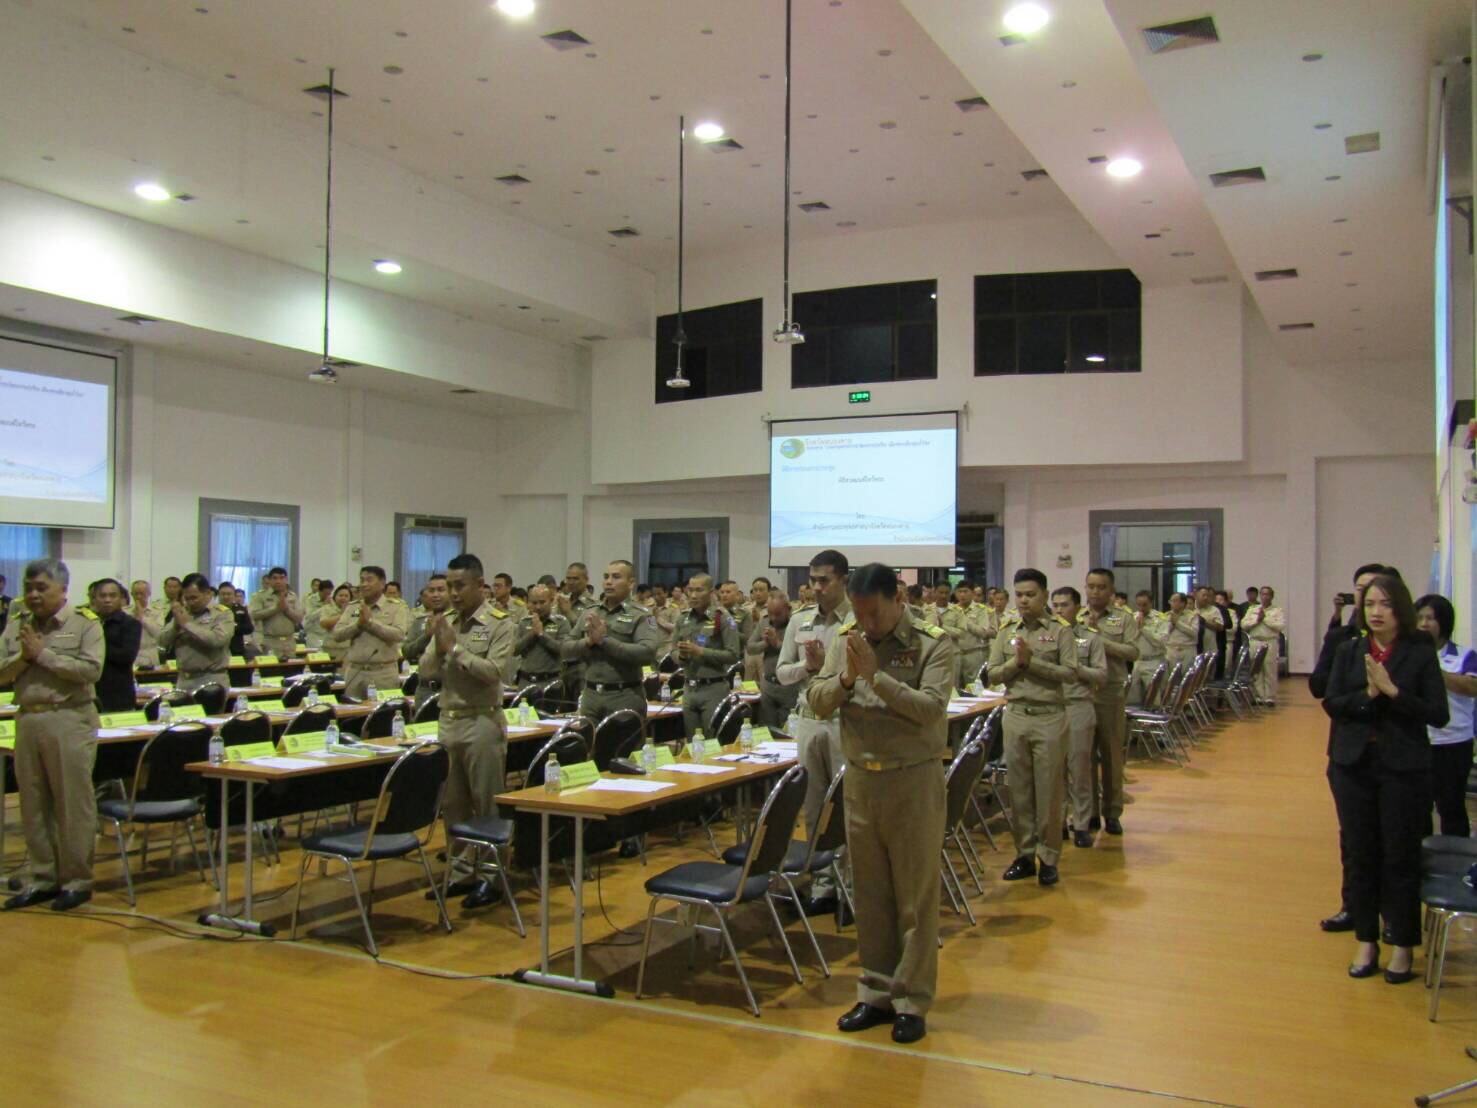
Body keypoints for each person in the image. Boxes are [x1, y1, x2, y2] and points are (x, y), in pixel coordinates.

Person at [807, 563, 954, 1045]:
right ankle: (874, 992)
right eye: (861, 614)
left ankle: (911, 998)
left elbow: (931, 710)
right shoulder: (847, 639)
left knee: (914, 897)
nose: (867, 624)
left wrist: (877, 679)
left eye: (875, 614)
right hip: (862, 782)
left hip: (912, 780)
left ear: (899, 599)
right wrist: (848, 680)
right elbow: (817, 700)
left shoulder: (935, 642)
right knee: (869, 893)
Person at [1323, 574, 1447, 983]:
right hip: (1353, 766)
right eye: (1370, 604)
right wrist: (1368, 697)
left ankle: (1402, 944)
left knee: (1400, 857)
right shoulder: (1350, 650)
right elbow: (1333, 703)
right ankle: (1366, 939)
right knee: (1361, 855)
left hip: (1403, 768)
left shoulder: (1419, 651)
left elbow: (1437, 713)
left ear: (1402, 610)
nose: (1376, 612)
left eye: (1386, 605)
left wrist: (1393, 692)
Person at [0, 559, 104, 912]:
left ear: (62, 589)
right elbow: (1, 673)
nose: (32, 594)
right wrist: (26, 659)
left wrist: (42, 655)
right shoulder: (17, 625)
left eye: (41, 588)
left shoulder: (85, 624)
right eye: (29, 587)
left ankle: (77, 880)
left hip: (69, 718)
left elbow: (91, 670)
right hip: (28, 718)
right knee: (33, 803)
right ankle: (44, 877)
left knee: (72, 803)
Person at [420, 553, 515, 911]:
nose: (453, 593)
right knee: (453, 803)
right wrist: (437, 639)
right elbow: (427, 671)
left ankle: (493, 875)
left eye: (460, 586)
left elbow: (495, 672)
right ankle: (460, 873)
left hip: (482, 720)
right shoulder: (448, 622)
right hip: (449, 719)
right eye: (449, 586)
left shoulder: (498, 623)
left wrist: (454, 649)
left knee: (487, 801)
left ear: (480, 585)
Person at [1310, 563, 1391, 933]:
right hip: (1349, 749)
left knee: (1393, 836)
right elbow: (1319, 687)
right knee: (1354, 836)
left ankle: (1394, 914)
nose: (1367, 599)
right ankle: (1355, 907)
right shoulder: (1342, 638)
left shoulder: (1408, 645)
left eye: (1376, 593)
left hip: (1395, 752)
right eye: (1361, 589)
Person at [776, 549, 853, 915]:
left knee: (846, 807)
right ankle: (822, 887)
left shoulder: (858, 619)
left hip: (845, 721)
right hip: (808, 720)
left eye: (825, 581)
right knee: (813, 806)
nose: (817, 588)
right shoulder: (800, 620)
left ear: (843, 581)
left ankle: (850, 891)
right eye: (812, 581)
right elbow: (782, 672)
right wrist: (808, 669)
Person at [988, 568, 1076, 885]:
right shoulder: (1007, 629)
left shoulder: (1060, 630)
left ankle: (1049, 857)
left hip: (1049, 715)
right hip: (1015, 714)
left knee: (1049, 790)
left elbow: (1069, 672)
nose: (1024, 601)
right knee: (1019, 791)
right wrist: (1016, 663)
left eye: (1030, 594)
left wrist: (1031, 662)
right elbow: (993, 673)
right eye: (1019, 595)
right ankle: (1024, 854)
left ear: (1044, 595)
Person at [561, 560, 661, 724]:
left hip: (624, 695)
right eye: (606, 577)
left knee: (624, 747)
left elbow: (647, 653)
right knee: (589, 747)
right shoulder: (590, 611)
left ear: (631, 583)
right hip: (590, 695)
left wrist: (604, 640)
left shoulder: (643, 615)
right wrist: (588, 642)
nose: (608, 581)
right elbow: (565, 648)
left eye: (616, 577)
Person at [1083, 568, 1138, 836]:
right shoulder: (1075, 618)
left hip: (1110, 693)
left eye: (1101, 587)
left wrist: (1098, 638)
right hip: (1081, 694)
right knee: (1084, 756)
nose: (1095, 592)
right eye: (1091, 586)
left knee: (1111, 754)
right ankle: (1089, 812)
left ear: (1111, 590)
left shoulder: (1122, 618)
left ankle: (1112, 812)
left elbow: (1132, 651)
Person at [1416, 594, 1477, 839]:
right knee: (1419, 807)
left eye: (1430, 618)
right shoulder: (1409, 655)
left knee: (1451, 806)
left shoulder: (1465, 655)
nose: (1423, 623)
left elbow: (1471, 687)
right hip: (1420, 742)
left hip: (1454, 743)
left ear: (1444, 622)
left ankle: (1458, 862)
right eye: (1419, 618)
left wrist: (1434, 670)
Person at [1051, 587, 1106, 848]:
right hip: (1052, 708)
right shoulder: (1046, 636)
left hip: (1078, 706)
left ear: (1077, 607)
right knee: (1054, 771)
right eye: (1056, 605)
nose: (1059, 610)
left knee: (1079, 770)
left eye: (1065, 605)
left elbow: (1101, 675)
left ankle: (1082, 823)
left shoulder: (1090, 638)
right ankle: (1058, 822)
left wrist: (1076, 667)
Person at [672, 574, 741, 738]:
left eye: (699, 590)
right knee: (692, 741)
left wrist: (701, 652)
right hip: (689, 688)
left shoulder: (722, 618)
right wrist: (681, 656)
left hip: (713, 687)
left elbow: (733, 655)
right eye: (690, 590)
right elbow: (672, 650)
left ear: (711, 593)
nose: (693, 595)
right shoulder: (683, 619)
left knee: (712, 742)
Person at [333, 566, 410, 699]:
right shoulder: (353, 607)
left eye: (369, 580)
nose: (364, 584)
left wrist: (370, 624)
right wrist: (358, 625)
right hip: (355, 672)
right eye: (362, 580)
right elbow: (337, 635)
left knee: (382, 715)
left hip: (383, 673)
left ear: (382, 584)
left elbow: (399, 634)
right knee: (352, 717)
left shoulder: (396, 607)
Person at [158, 574, 234, 692]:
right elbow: (162, 641)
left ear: (208, 593)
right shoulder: (183, 612)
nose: (190, 603)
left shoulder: (222, 613)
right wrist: (175, 627)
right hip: (184, 679)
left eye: (194, 598)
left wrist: (187, 625)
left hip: (211, 679)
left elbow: (217, 640)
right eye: (186, 598)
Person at [87, 578, 141, 712]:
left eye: (112, 595)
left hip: (118, 694)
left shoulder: (130, 623)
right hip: (90, 692)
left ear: (121, 598)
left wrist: (97, 643)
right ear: (94, 599)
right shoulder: (87, 623)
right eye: (102, 596)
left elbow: (127, 656)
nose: (107, 600)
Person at [748, 592, 800, 728]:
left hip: (790, 689)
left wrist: (777, 643)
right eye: (770, 613)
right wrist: (765, 643)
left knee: (788, 732)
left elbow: (799, 655)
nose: (773, 618)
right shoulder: (764, 621)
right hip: (768, 686)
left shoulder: (797, 623)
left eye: (777, 614)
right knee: (766, 732)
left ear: (788, 609)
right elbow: (750, 647)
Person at [513, 583, 571, 686]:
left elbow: (564, 650)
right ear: (528, 603)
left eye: (542, 602)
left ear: (551, 601)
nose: (538, 607)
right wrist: (531, 635)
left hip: (550, 681)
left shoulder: (561, 622)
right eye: (534, 603)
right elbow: (514, 650)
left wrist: (541, 634)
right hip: (525, 681)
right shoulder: (524, 622)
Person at [1241, 586, 1287, 705]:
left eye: (1267, 594)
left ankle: (1269, 697)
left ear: (1272, 596)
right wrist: (1256, 620)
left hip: (1269, 641)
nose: (1265, 596)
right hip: (1255, 641)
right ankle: (1258, 696)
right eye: (1263, 594)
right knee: (1256, 669)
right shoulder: (1253, 609)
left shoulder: (1277, 610)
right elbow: (1244, 624)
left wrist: (1264, 619)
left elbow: (1280, 626)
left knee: (1269, 668)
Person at [941, 581, 990, 690]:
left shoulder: (980, 610)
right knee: (954, 688)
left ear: (972, 593)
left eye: (965, 591)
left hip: (973, 654)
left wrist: (965, 621)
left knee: (974, 688)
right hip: (955, 654)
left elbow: (983, 632)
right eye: (959, 592)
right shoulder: (951, 609)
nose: (962, 595)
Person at [248, 567, 303, 659]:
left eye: (282, 578)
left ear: (286, 580)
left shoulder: (292, 596)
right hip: (270, 641)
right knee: (271, 671)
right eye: (275, 578)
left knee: (291, 671)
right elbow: (254, 615)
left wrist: (286, 610)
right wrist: (275, 609)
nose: (278, 581)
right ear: (269, 580)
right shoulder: (260, 596)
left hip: (289, 641)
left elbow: (299, 618)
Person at [1127, 591, 1167, 705]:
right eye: (1138, 604)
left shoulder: (1160, 618)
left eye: (1144, 604)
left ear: (1151, 603)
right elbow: (1128, 640)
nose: (1141, 608)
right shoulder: (1132, 618)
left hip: (1153, 661)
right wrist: (1136, 628)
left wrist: (1144, 628)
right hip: (1138, 661)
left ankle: (1154, 720)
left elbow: (1161, 642)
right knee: (1132, 698)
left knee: (1154, 698)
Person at [129, 578, 163, 669]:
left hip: (150, 656)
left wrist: (142, 618)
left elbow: (159, 634)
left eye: (142, 594)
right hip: (131, 656)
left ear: (149, 594)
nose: (139, 597)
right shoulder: (125, 612)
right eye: (136, 593)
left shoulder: (158, 612)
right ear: (131, 594)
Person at [215, 583, 256, 659]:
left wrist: (234, 626)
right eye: (223, 594)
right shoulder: (213, 610)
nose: (226, 597)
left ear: (234, 595)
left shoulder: (240, 609)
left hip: (236, 648)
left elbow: (249, 628)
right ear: (218, 595)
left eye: (229, 594)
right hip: (218, 650)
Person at [317, 585, 354, 664]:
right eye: (340, 595)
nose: (343, 598)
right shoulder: (326, 608)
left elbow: (355, 624)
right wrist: (343, 614)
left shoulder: (355, 610)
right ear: (335, 597)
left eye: (346, 596)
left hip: (346, 648)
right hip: (329, 648)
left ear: (350, 598)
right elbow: (324, 624)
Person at [1163, 592, 1199, 669]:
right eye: (1171, 601)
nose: (1171, 603)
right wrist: (1171, 624)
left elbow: (1194, 633)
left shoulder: (1192, 616)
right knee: (1171, 678)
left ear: (1182, 603)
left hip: (1187, 650)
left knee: (1187, 678)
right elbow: (1163, 634)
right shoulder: (1166, 616)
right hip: (1171, 650)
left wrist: (1177, 623)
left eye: (1174, 601)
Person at [304, 578, 335, 649]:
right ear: (320, 591)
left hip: (326, 634)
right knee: (315, 656)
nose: (327, 596)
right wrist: (324, 606)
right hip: (313, 634)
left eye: (329, 593)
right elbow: (309, 616)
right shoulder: (310, 599)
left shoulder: (332, 600)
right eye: (325, 593)